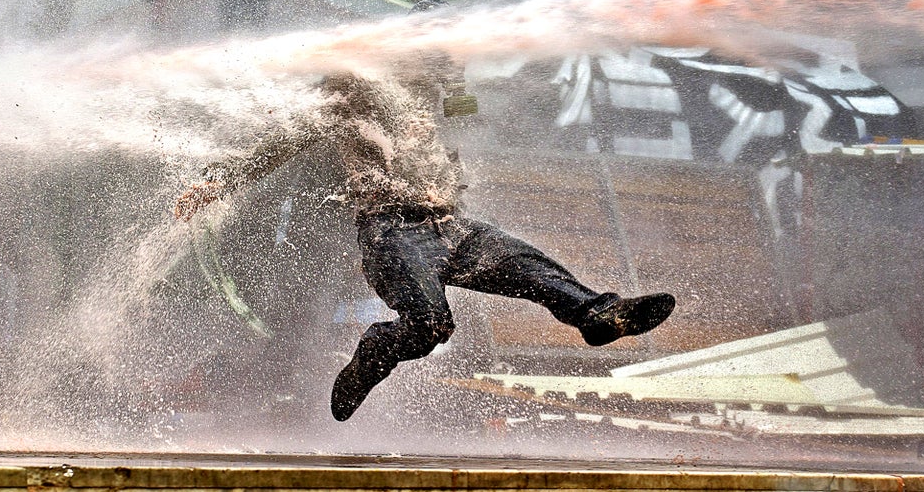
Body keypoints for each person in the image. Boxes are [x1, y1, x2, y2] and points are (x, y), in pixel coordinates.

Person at [174, 44, 675, 422]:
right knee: (431, 326)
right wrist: (217, 183)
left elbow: (472, 115)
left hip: (453, 227)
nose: (445, 70)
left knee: (533, 271)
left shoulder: (437, 96)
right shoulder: (356, 86)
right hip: (393, 231)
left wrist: (460, 88)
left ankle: (599, 316)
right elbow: (286, 138)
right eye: (436, 57)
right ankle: (373, 357)